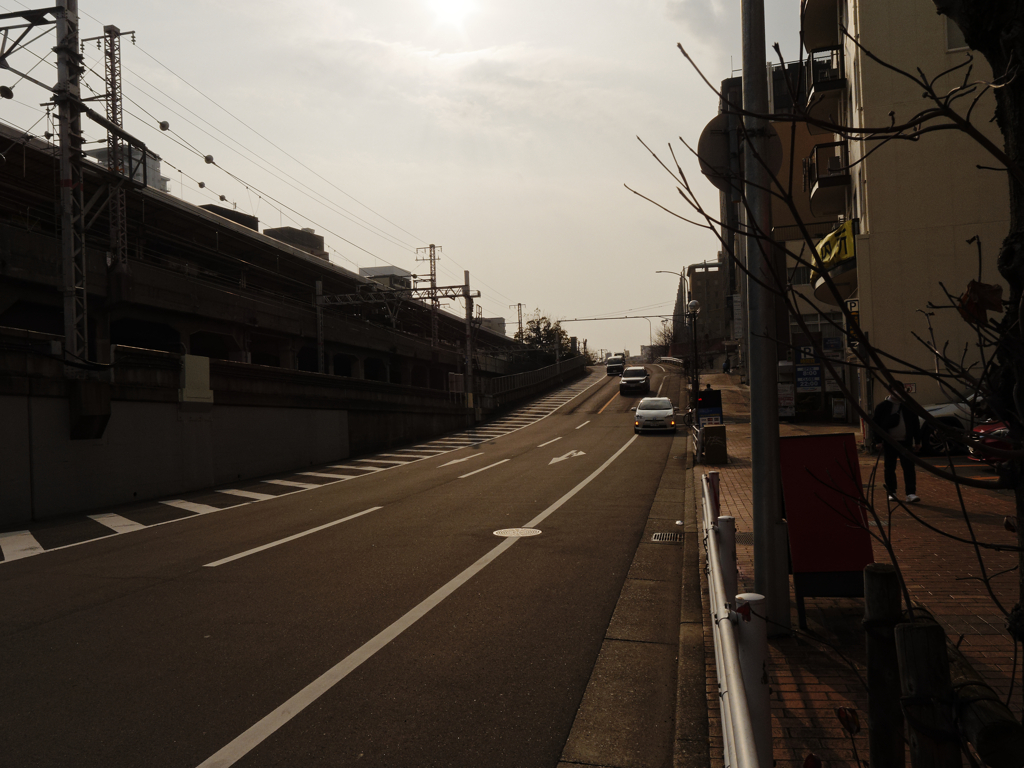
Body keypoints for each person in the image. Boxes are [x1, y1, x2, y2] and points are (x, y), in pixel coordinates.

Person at [872, 380, 922, 503]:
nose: (897, 392)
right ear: (889, 391)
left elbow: (915, 424)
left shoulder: (908, 406)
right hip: (890, 442)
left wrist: (917, 441)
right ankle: (892, 492)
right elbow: (875, 425)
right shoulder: (882, 407)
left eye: (899, 389)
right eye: (894, 389)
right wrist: (878, 441)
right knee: (889, 468)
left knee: (909, 468)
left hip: (906, 442)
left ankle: (910, 493)